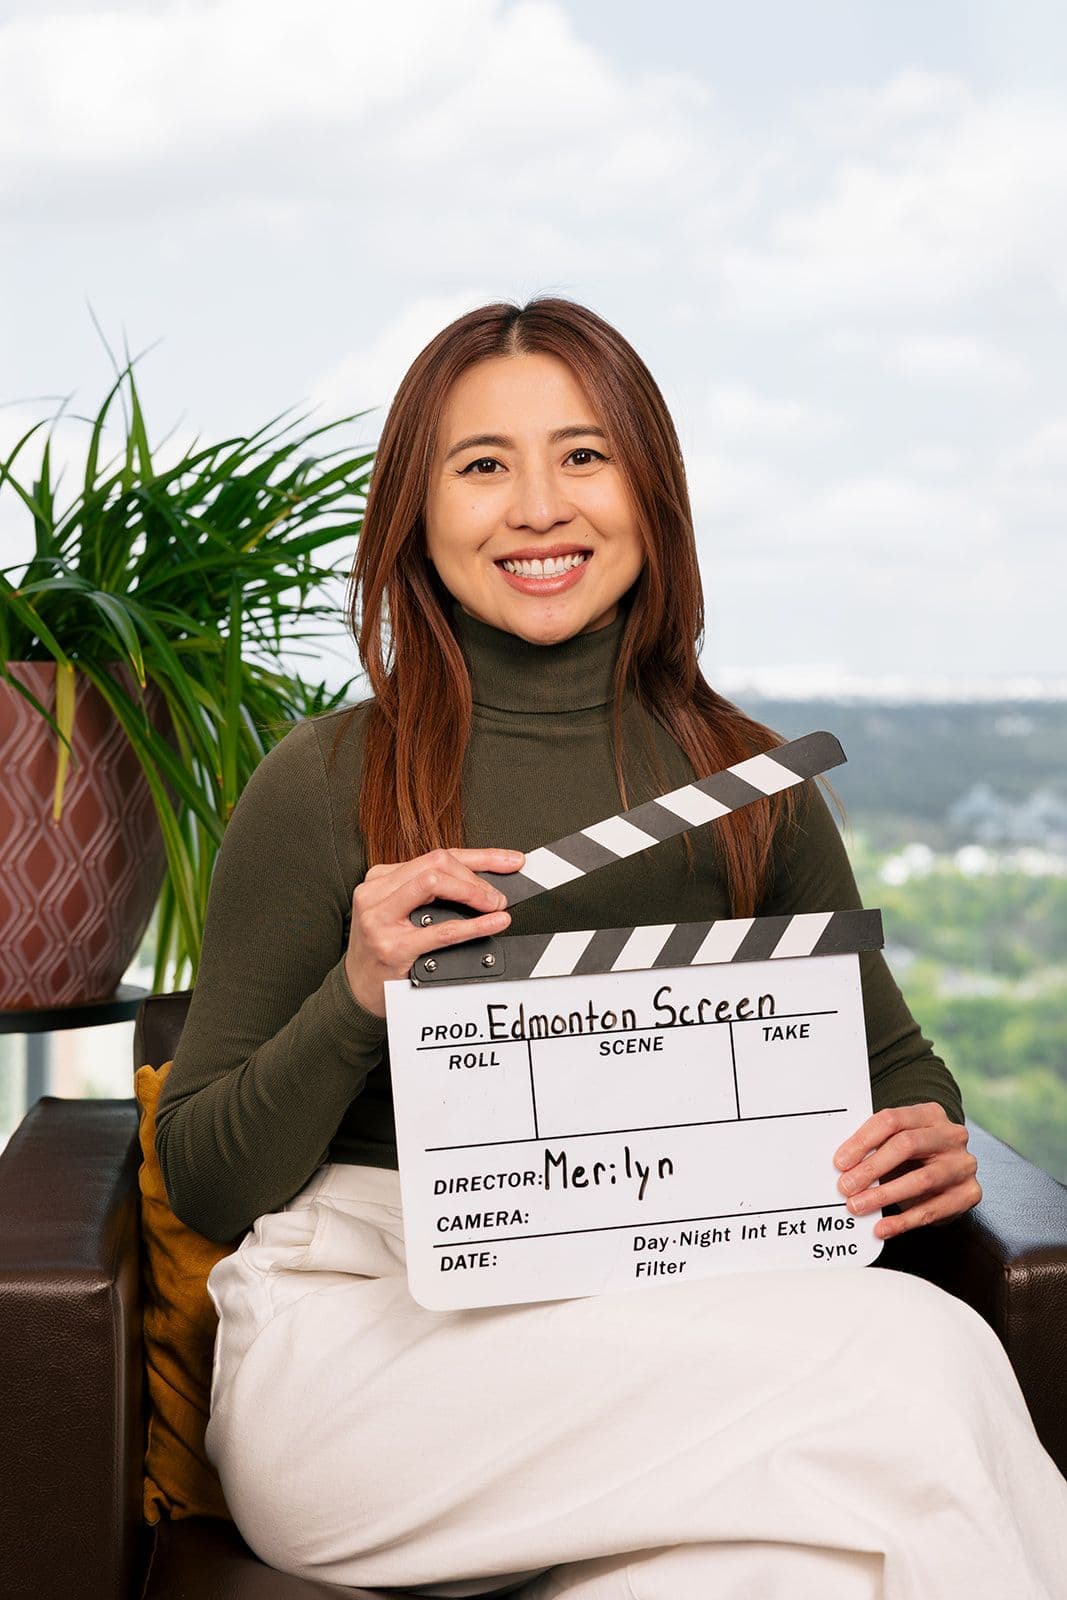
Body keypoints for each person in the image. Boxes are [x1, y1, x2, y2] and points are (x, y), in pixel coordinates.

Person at [156, 297, 1067, 1600]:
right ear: (416, 513)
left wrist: (919, 1132)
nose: (539, 506)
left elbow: (899, 1070)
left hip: (684, 1316)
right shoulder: (324, 781)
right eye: (483, 466)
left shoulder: (753, 784)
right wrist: (359, 995)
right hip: (374, 1345)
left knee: (795, 1571)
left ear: (654, 493)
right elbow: (200, 1178)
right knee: (924, 1357)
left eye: (583, 455)